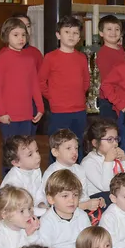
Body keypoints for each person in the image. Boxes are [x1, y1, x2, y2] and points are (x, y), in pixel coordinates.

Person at [39, 15, 90, 151]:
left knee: (77, 144)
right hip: (59, 109)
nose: (71, 36)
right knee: (58, 145)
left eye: (75, 33)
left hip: (79, 109)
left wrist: (79, 94)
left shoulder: (81, 57)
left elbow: (86, 81)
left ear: (79, 38)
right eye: (67, 32)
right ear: (58, 35)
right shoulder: (50, 57)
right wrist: (52, 97)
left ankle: (76, 171)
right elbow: (41, 81)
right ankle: (56, 172)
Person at [0, 17, 44, 140]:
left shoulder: (29, 59)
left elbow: (34, 85)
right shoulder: (2, 58)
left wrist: (40, 107)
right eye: (16, 35)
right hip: (9, 115)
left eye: (23, 35)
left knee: (25, 148)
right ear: (6, 36)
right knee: (12, 150)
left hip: (27, 113)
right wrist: (2, 113)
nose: (21, 38)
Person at [43, 129, 102, 219]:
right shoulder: (51, 173)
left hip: (79, 211)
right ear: (55, 152)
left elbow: (84, 196)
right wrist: (85, 205)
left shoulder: (79, 169)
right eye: (68, 148)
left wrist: (95, 203)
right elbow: (53, 205)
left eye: (76, 148)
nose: (74, 152)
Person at [80, 118, 125, 206]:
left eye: (116, 139)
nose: (115, 144)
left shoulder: (112, 156)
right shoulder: (88, 162)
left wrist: (124, 161)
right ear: (95, 143)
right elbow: (106, 187)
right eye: (110, 139)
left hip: (114, 198)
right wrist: (108, 161)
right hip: (98, 201)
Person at [0, 135, 45, 216]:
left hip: (30, 211)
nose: (37, 156)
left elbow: (38, 192)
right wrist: (46, 212)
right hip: (16, 216)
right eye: (30, 154)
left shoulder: (35, 169)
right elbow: (22, 210)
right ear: (16, 162)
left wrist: (41, 203)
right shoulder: (13, 181)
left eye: (37, 151)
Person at [95, 14, 125, 122]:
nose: (113, 32)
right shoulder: (103, 54)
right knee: (110, 131)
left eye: (117, 29)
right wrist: (116, 100)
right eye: (109, 29)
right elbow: (107, 81)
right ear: (101, 33)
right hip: (110, 100)